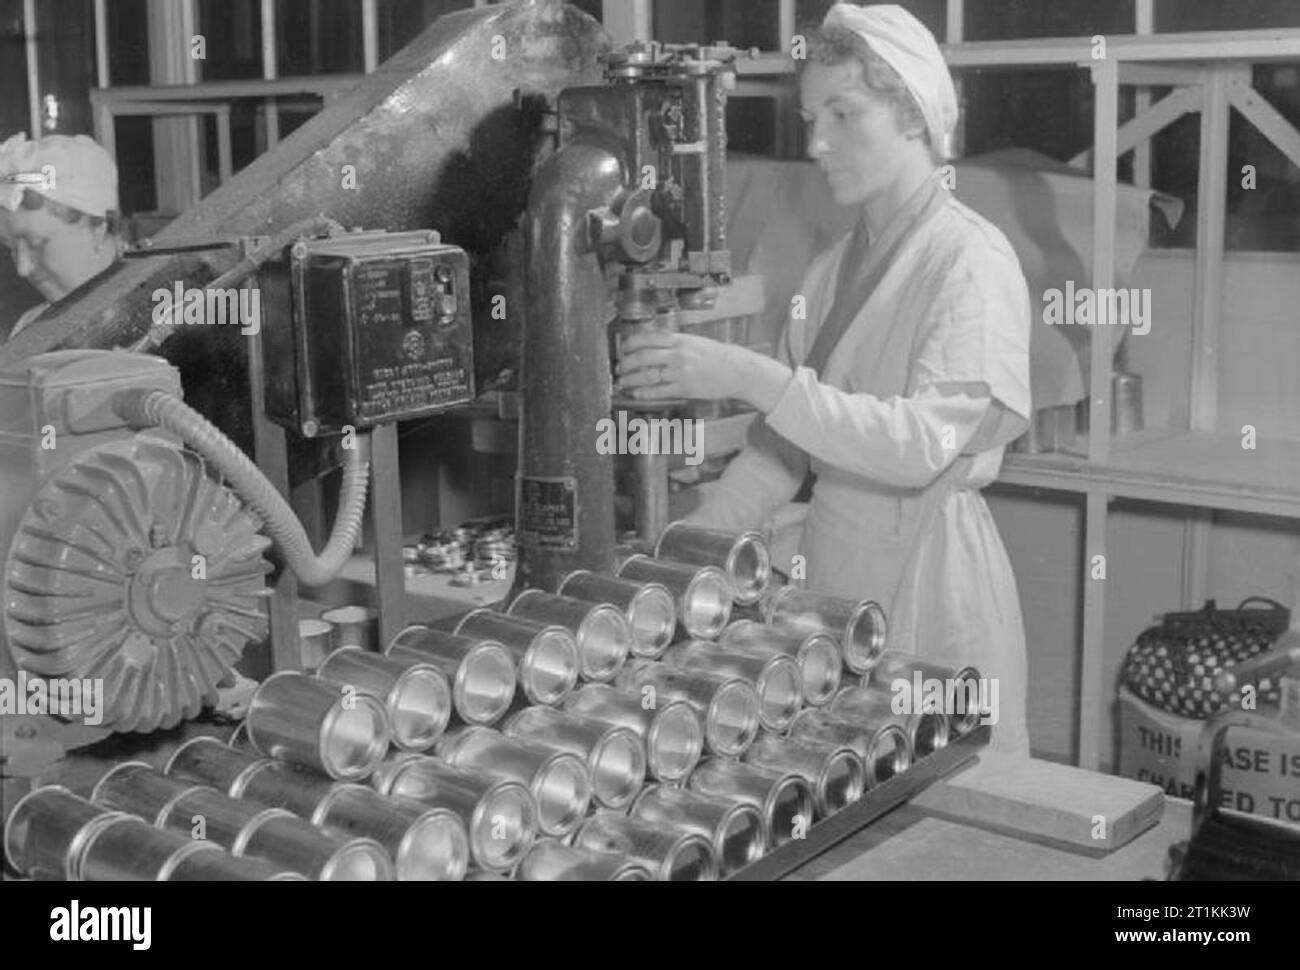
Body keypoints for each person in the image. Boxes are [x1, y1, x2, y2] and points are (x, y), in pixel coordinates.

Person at [617, 3, 1034, 757]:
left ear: (912, 114)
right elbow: (783, 455)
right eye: (812, 117)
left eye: (844, 113)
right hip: (838, 583)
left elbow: (920, 446)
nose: (817, 143)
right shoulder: (830, 270)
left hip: (932, 577)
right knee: (850, 798)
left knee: (953, 815)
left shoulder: (968, 261)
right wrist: (682, 555)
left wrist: (748, 374)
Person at [0, 133, 122, 339]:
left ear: (98, 228)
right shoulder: (30, 327)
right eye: (11, 247)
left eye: (36, 244)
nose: (23, 268)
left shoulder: (171, 313)